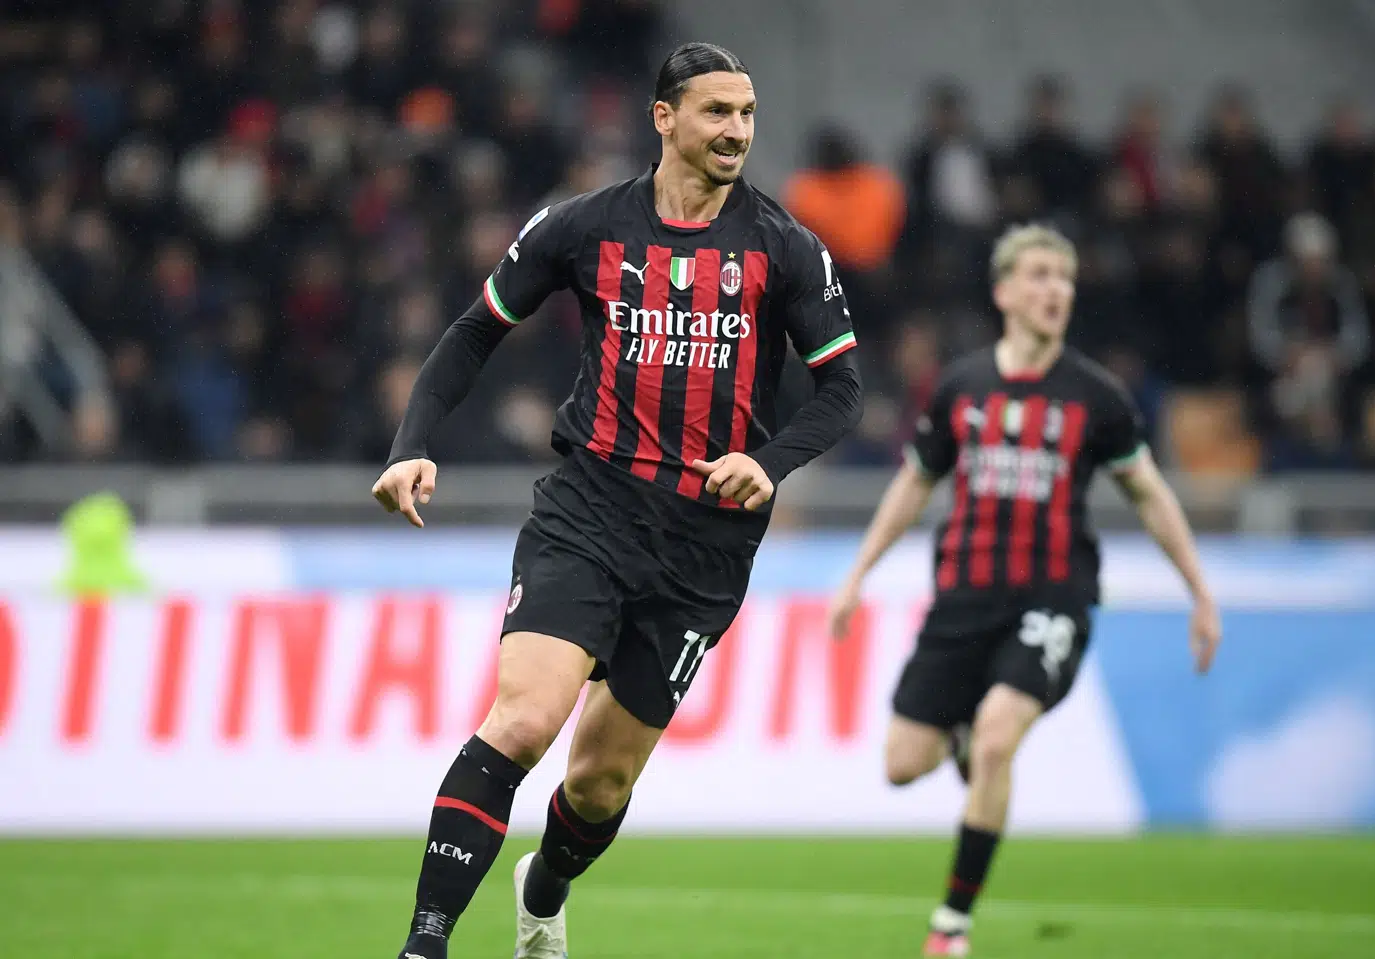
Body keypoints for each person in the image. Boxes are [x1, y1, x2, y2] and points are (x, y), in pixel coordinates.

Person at [371, 42, 862, 959]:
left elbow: (842, 388)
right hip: (590, 509)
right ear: (664, 119)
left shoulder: (784, 246)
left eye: (748, 114)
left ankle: (543, 894)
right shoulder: (585, 226)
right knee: (521, 719)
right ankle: (424, 943)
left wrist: (772, 461)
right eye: (718, 112)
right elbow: (476, 330)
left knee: (597, 784)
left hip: (704, 545)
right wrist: (412, 445)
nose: (737, 132)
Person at [826, 224, 1219, 957]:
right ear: (1004, 291)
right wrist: (857, 574)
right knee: (902, 764)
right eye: (1037, 275)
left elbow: (1149, 492)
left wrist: (1198, 588)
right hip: (962, 597)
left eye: (1063, 279)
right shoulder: (962, 387)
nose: (1053, 290)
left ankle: (951, 923)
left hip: (1052, 596)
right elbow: (916, 482)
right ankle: (966, 734)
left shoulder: (1096, 397)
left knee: (1002, 733)